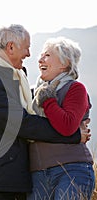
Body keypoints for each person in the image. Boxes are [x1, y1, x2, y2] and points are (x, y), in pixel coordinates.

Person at [0, 24, 90, 200]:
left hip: (18, 178)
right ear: (11, 47)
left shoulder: (17, 79)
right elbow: (23, 124)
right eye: (26, 48)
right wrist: (73, 136)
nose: (29, 55)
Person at [28, 37, 95, 200]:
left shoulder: (75, 88)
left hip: (71, 170)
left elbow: (67, 126)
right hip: (37, 174)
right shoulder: (33, 93)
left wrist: (48, 100)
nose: (40, 59)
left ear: (64, 63)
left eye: (47, 55)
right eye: (41, 55)